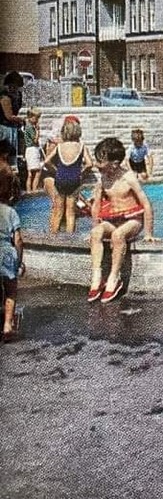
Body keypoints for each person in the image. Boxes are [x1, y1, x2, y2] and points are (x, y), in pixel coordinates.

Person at [88, 137, 156, 303]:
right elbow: (96, 205)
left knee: (118, 235)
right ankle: (97, 277)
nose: (97, 164)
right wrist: (95, 226)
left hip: (133, 221)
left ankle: (114, 278)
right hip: (114, 220)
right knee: (96, 232)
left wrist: (148, 233)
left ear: (115, 163)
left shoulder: (129, 178)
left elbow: (146, 204)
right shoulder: (103, 178)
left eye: (101, 161)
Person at [44, 117, 93, 234]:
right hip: (74, 181)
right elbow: (90, 164)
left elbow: (46, 162)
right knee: (70, 213)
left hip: (60, 179)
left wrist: (56, 171)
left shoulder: (60, 146)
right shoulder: (81, 146)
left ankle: (53, 237)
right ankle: (70, 239)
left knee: (58, 211)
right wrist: (81, 173)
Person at [0, 166, 24, 341]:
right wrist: (19, 261)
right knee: (11, 291)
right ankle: (8, 326)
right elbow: (18, 241)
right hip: (7, 254)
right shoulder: (11, 212)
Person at [0, 71, 25, 176]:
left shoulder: (18, 95)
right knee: (5, 154)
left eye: (15, 86)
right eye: (10, 86)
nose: (12, 88)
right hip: (5, 128)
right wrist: (22, 119)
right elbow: (9, 116)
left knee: (12, 155)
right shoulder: (4, 97)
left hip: (12, 128)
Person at [23, 107, 43, 192]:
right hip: (32, 150)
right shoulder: (30, 127)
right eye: (37, 118)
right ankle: (34, 190)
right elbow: (35, 140)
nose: (38, 120)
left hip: (29, 150)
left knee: (30, 173)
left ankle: (28, 190)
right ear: (31, 117)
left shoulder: (28, 126)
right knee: (38, 172)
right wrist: (38, 131)